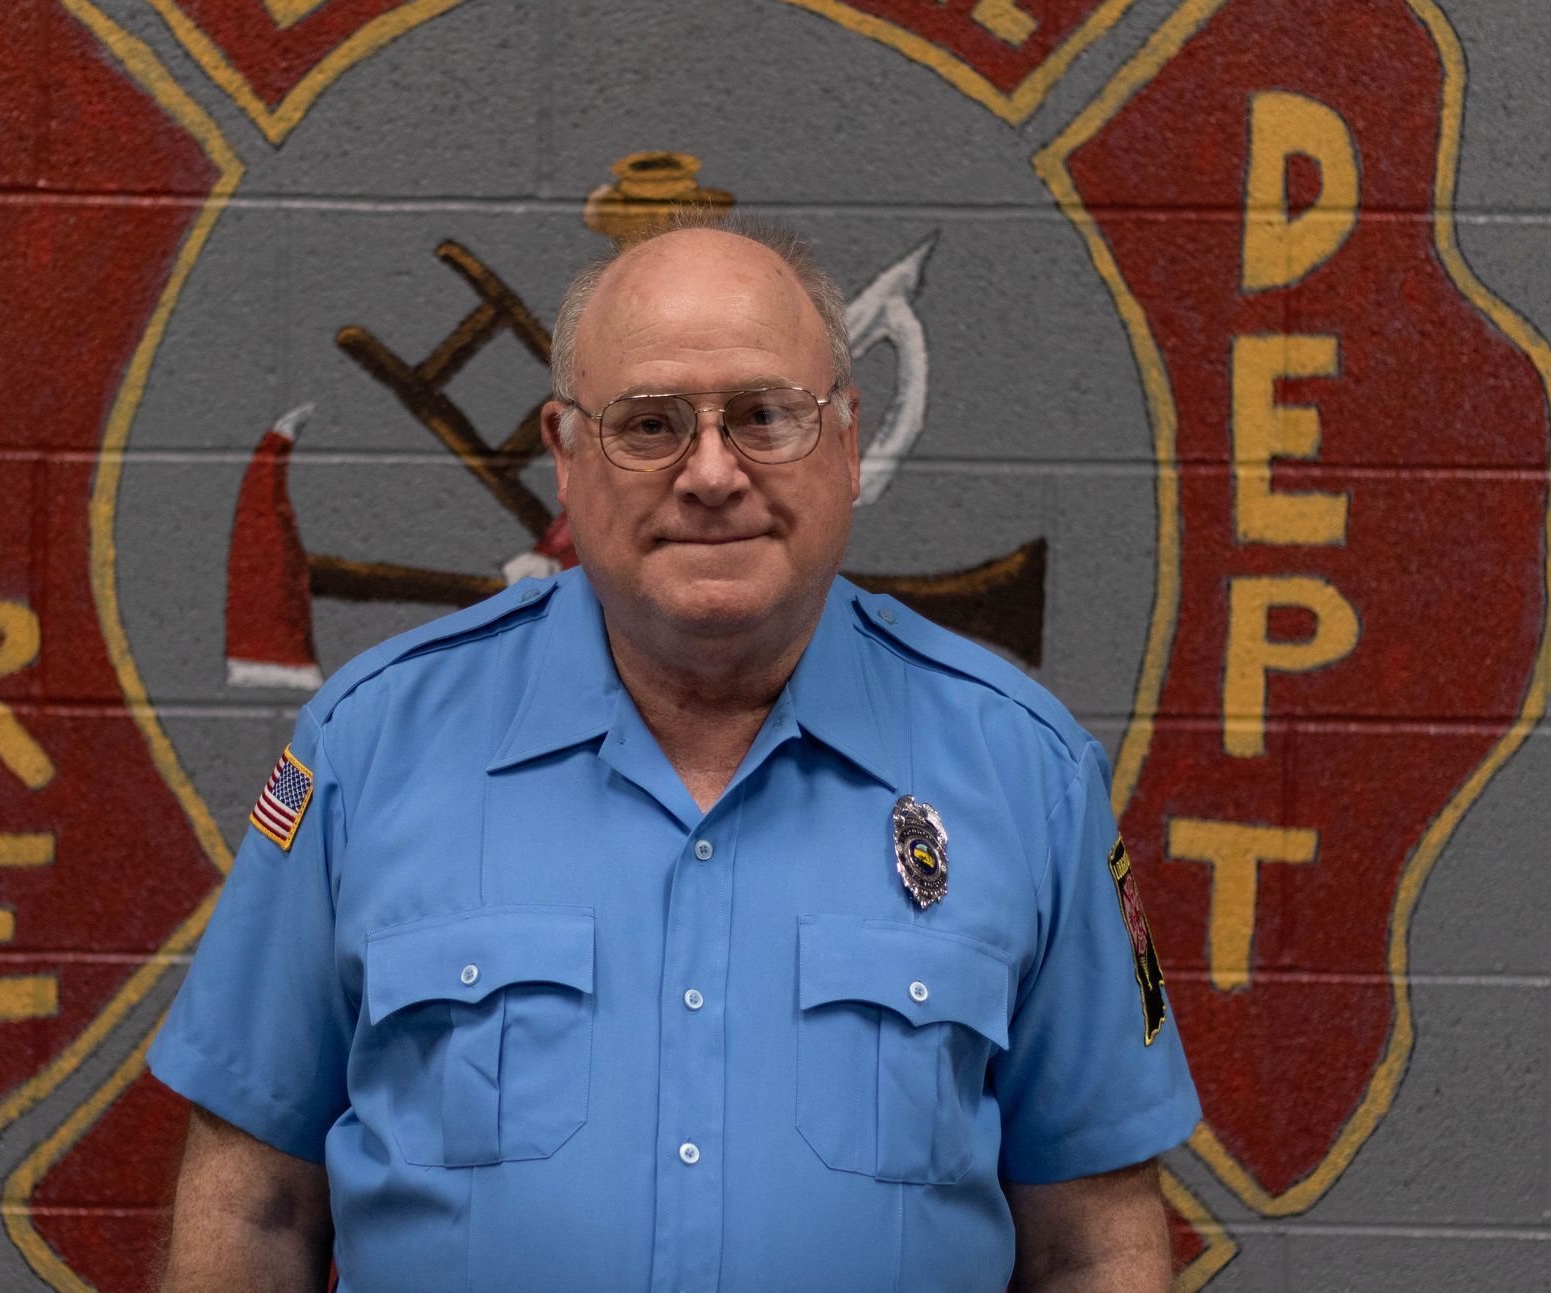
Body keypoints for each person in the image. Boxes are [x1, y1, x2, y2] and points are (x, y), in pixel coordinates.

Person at [148, 218, 1201, 1291]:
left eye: (763, 417)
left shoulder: (1025, 773)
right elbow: (256, 1201)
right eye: (649, 425)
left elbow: (1093, 1240)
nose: (710, 472)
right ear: (564, 455)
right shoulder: (370, 746)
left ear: (844, 438)